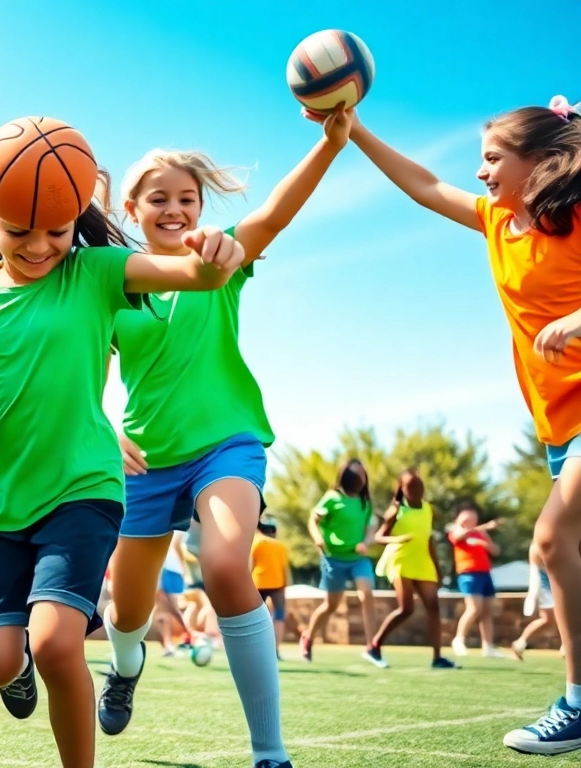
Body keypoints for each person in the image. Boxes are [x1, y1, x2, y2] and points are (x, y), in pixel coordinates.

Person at [0, 116, 245, 768]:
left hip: (81, 490)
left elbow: (194, 278)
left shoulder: (96, 273)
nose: (41, 245)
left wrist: (216, 255)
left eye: (58, 230)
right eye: (19, 231)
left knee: (57, 644)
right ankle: (8, 673)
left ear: (76, 219)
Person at [98, 110, 352, 768]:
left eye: (188, 198)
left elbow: (274, 215)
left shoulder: (224, 258)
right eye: (160, 198)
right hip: (145, 460)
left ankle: (270, 753)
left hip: (226, 445)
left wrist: (329, 145)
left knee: (225, 564)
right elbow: (88, 380)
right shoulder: (114, 282)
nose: (176, 208)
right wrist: (101, 430)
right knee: (127, 616)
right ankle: (126, 669)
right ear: (133, 208)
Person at [345, 94, 581, 754]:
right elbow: (423, 185)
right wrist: (354, 128)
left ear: (542, 162)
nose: (480, 172)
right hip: (558, 425)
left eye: (492, 158)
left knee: (550, 538)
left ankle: (576, 704)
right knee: (561, 551)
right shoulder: (497, 224)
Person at [368, 469, 456, 670]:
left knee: (433, 607)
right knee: (406, 608)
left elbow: (429, 539)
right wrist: (396, 539)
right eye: (411, 487)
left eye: (420, 486)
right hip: (401, 561)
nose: (417, 490)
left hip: (423, 561)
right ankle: (375, 645)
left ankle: (437, 657)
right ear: (402, 489)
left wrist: (437, 568)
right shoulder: (396, 511)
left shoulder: (428, 509)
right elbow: (379, 537)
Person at [300, 459, 378, 664]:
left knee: (366, 595)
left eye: (363, 475)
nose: (361, 479)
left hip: (358, 559)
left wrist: (366, 542)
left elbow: (370, 529)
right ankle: (308, 636)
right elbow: (313, 520)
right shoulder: (332, 498)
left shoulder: (365, 502)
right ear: (347, 477)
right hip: (334, 559)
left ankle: (373, 647)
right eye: (357, 475)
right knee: (331, 605)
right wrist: (317, 537)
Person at [448, 502, 504, 658]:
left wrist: (485, 541)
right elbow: (458, 536)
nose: (471, 518)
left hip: (485, 573)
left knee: (487, 612)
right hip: (469, 574)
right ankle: (458, 640)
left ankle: (488, 647)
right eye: (466, 515)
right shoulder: (456, 530)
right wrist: (483, 528)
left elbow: (495, 550)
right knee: (474, 608)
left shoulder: (481, 533)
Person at [251, 517, 291, 660]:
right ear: (274, 531)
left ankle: (256, 649)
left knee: (255, 618)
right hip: (278, 584)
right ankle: (275, 650)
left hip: (258, 583)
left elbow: (250, 565)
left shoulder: (255, 542)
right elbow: (285, 569)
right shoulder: (280, 546)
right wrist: (286, 586)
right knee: (279, 616)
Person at [514, 545, 559, 660]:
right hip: (544, 584)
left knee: (555, 619)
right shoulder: (539, 544)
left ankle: (520, 644)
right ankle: (520, 643)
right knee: (549, 619)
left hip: (557, 582)